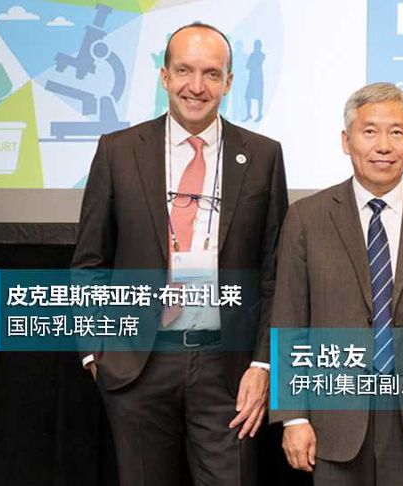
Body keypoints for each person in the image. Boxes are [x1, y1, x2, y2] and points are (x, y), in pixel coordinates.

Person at [71, 22, 287, 486]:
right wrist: (95, 353)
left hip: (227, 369)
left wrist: (262, 363)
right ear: (164, 76)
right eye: (185, 70)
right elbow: (90, 262)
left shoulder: (264, 156)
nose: (197, 86)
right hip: (137, 364)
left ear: (229, 82)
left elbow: (274, 272)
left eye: (212, 74)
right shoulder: (118, 151)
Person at [270, 82, 403, 485]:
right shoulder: (306, 218)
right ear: (346, 141)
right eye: (369, 132)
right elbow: (289, 321)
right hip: (333, 418)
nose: (383, 146)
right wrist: (293, 416)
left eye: (396, 132)